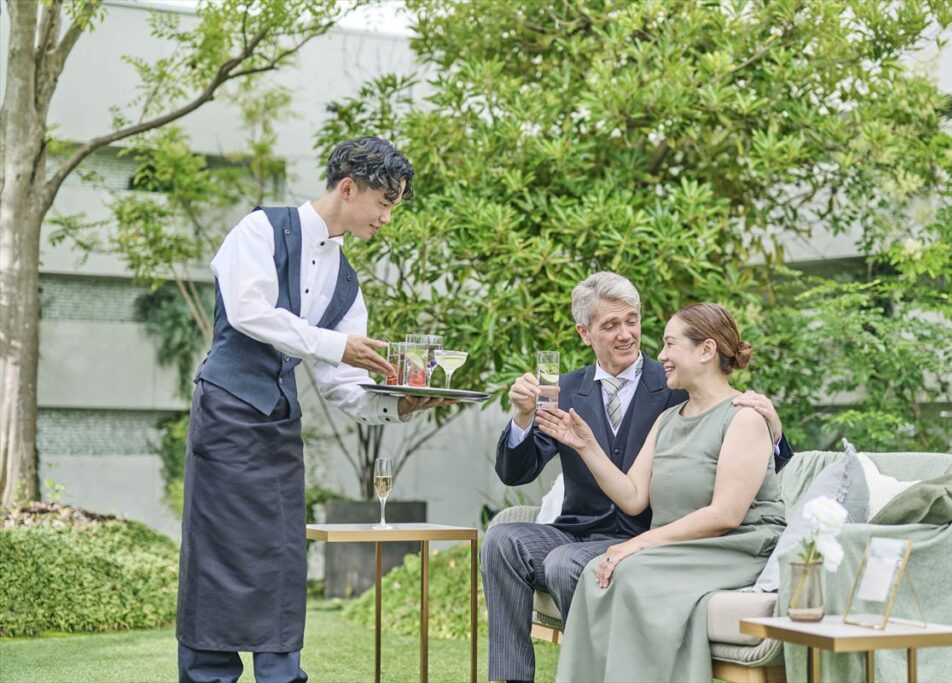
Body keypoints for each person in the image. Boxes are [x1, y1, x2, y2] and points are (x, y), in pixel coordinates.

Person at [176, 136, 447, 683]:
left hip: (279, 426)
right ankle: (208, 676)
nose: (387, 218)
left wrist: (398, 406)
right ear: (348, 188)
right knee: (216, 557)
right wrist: (335, 345)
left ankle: (281, 676)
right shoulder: (259, 229)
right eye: (385, 203)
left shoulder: (346, 283)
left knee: (281, 560)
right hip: (226, 413)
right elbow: (249, 311)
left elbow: (342, 383)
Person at [482, 273, 792, 683]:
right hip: (578, 530)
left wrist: (774, 428)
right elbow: (515, 472)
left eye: (632, 321)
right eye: (611, 325)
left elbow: (753, 459)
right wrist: (523, 417)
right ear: (584, 333)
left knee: (565, 564)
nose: (627, 334)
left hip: (647, 533)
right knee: (502, 540)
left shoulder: (678, 385)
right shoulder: (563, 390)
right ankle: (512, 679)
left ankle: (602, 674)